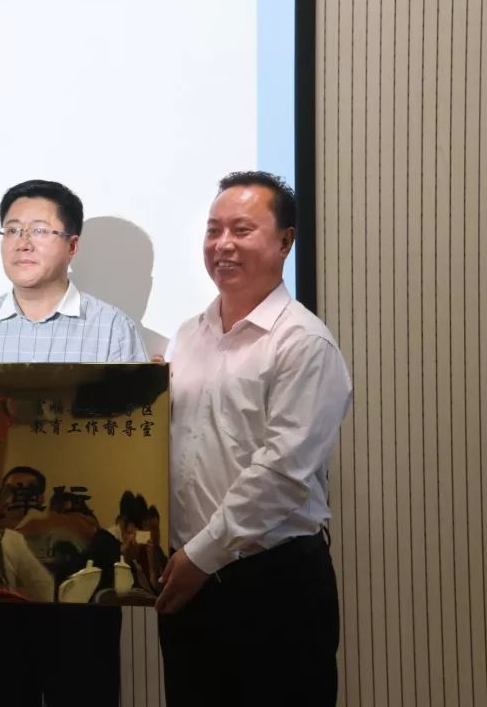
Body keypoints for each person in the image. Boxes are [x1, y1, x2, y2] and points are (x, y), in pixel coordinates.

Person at [0, 178, 148, 707]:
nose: (22, 242)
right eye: (11, 230)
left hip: (81, 560)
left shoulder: (111, 330)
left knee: (86, 692)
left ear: (72, 245)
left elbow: (130, 447)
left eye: (39, 230)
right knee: (1, 691)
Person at [156, 171, 352, 706]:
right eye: (213, 229)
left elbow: (282, 473)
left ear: (285, 241)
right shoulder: (187, 335)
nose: (222, 244)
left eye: (241, 230)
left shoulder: (303, 343)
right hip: (188, 578)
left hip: (272, 583)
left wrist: (200, 557)